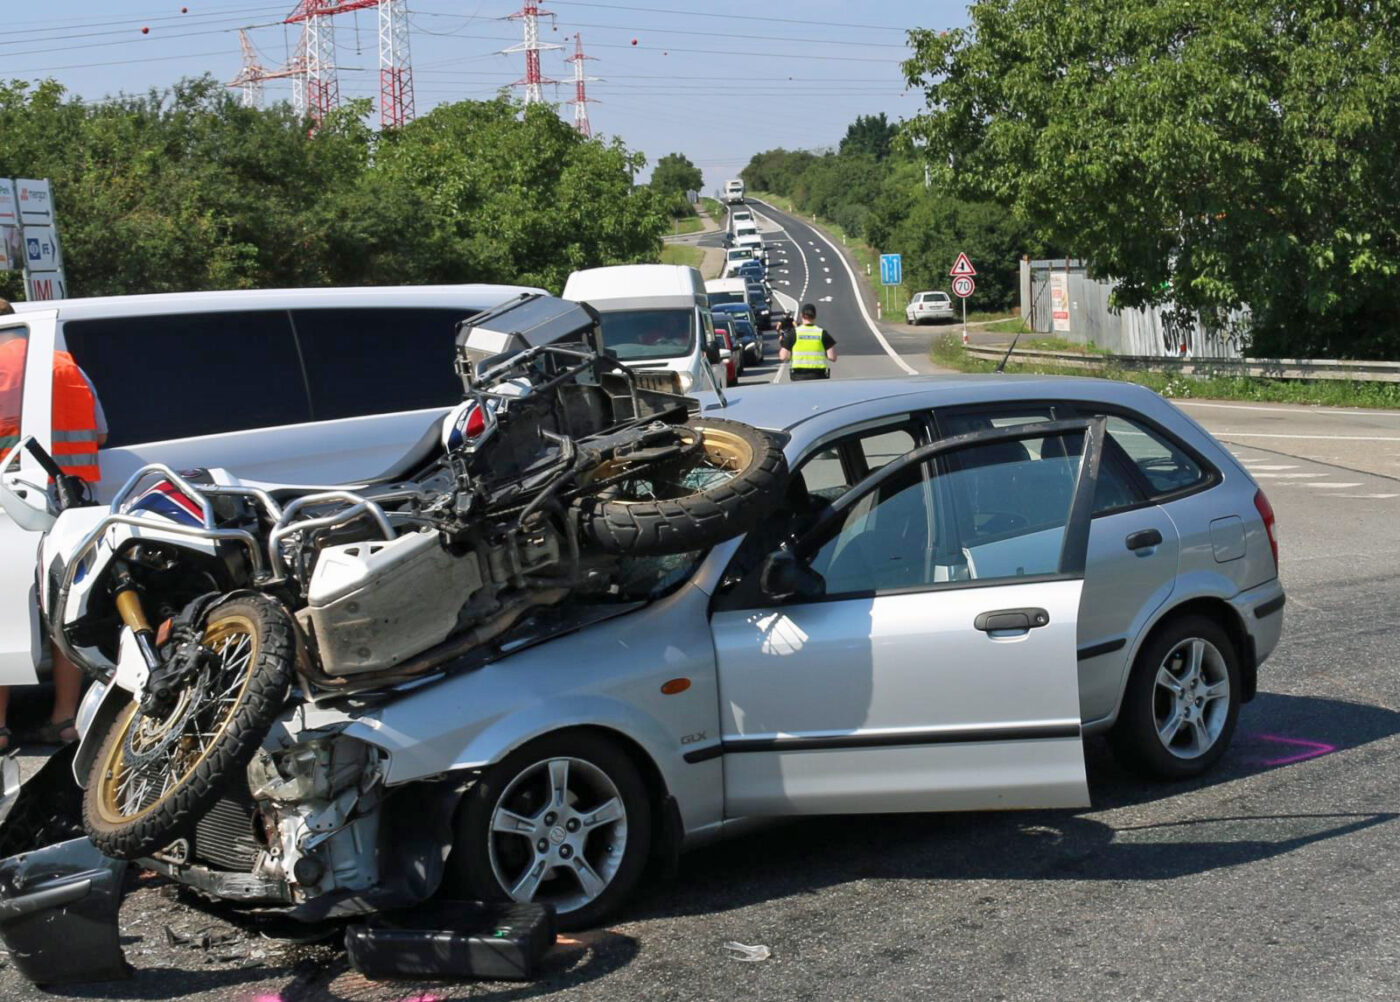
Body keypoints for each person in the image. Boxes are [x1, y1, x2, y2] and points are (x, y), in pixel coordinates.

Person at [0, 296, 104, 748]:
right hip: (74, 502)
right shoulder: (64, 364)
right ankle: (65, 719)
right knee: (66, 612)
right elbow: (99, 432)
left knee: (4, 614)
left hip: (13, 504)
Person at [778, 302, 837, 380]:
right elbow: (832, 357)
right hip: (819, 376)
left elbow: (783, 356)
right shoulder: (822, 333)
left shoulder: (794, 333)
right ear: (815, 316)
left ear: (801, 315)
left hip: (798, 376)